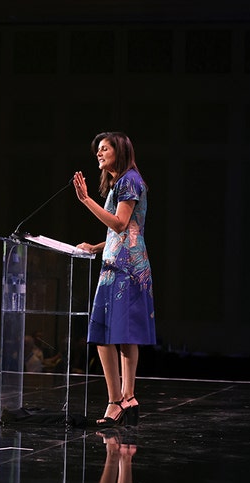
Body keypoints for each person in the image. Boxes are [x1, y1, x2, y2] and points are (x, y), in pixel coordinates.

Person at [73, 131, 155, 427]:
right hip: (114, 264)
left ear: (118, 152)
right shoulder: (121, 183)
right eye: (98, 149)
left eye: (104, 149)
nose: (99, 153)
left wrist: (85, 200)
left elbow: (120, 224)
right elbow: (121, 231)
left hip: (126, 268)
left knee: (119, 334)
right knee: (108, 334)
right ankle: (123, 399)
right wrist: (94, 247)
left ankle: (120, 400)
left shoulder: (129, 181)